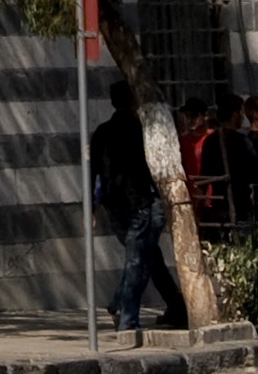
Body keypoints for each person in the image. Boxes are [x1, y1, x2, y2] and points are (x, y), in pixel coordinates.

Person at [91, 79, 185, 346]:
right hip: (141, 202)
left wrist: (92, 205)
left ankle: (174, 306)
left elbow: (93, 170)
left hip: (115, 205)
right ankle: (126, 315)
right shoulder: (140, 130)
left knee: (148, 255)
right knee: (138, 259)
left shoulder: (102, 132)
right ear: (133, 101)